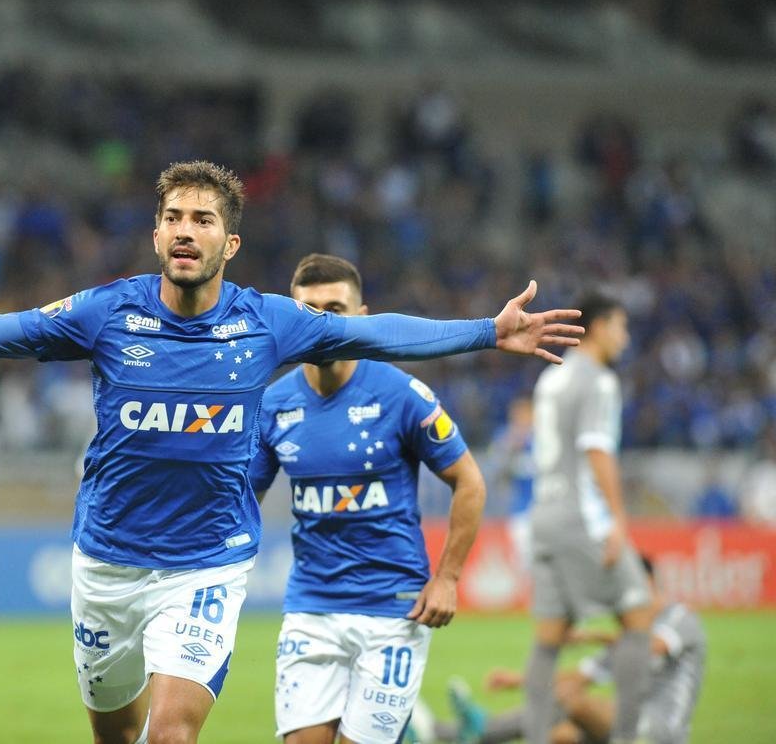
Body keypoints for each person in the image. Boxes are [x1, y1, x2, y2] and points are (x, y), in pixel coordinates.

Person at [0, 161, 582, 744]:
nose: (186, 231)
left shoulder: (270, 322)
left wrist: (487, 330)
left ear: (231, 241)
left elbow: (379, 331)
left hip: (206, 567)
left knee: (169, 735)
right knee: (115, 728)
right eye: (174, 217)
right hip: (107, 564)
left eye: (203, 219)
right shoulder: (106, 313)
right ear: (157, 230)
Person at [246, 254, 487, 744]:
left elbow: (470, 482)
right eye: (309, 310)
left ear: (361, 318)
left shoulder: (402, 395)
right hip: (310, 606)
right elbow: (241, 498)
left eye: (335, 308)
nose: (322, 322)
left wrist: (448, 578)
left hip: (392, 610)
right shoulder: (272, 404)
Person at [523, 291, 650, 744]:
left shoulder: (550, 376)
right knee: (640, 616)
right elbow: (596, 449)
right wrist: (618, 517)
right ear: (598, 327)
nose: (625, 337)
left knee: (548, 640)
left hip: (542, 515)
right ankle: (628, 737)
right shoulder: (599, 380)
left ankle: (537, 737)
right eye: (620, 326)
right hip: (581, 516)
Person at [439, 556, 706, 744]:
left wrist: (591, 635)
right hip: (626, 724)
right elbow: (578, 677)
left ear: (645, 583)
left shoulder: (679, 617)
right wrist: (516, 680)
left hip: (660, 730)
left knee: (571, 701)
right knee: (559, 736)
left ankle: (476, 730)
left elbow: (652, 647)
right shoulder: (626, 639)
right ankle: (453, 731)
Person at [485, 394, 535, 570]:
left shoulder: (543, 438)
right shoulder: (505, 437)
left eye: (525, 413)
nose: (521, 417)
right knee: (523, 565)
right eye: (517, 413)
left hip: (544, 510)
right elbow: (495, 472)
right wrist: (510, 447)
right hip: (520, 511)